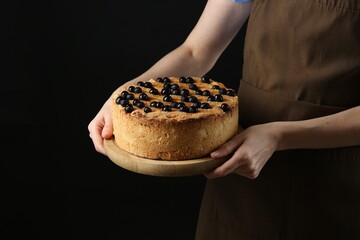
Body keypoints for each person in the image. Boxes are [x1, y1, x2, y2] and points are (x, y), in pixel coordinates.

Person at [88, 0, 360, 239]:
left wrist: (278, 136)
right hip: (242, 172)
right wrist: (127, 94)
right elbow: (197, 51)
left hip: (333, 177)